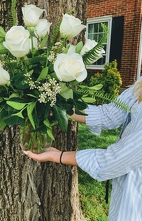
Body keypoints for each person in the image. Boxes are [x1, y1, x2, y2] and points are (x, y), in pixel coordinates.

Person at [23, 78, 142, 221]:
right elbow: (109, 115)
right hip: (126, 187)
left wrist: (58, 156)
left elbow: (113, 160)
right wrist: (57, 107)